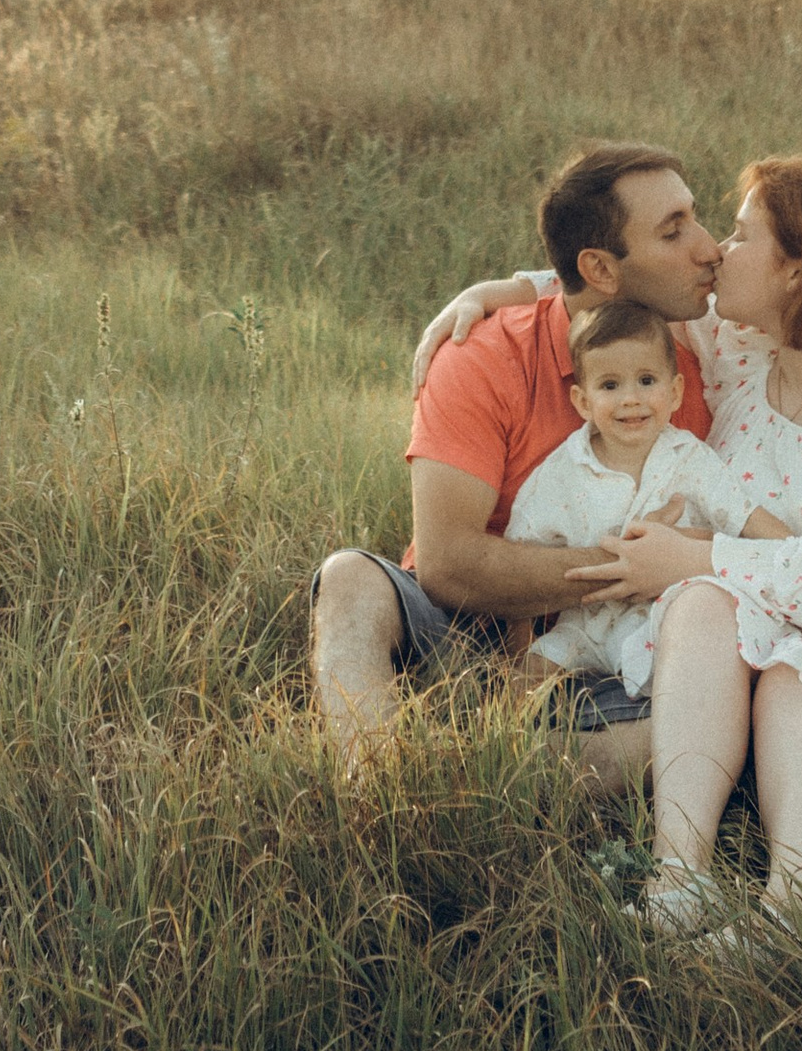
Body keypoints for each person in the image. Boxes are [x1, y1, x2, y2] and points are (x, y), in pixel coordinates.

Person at [430, 154, 802, 932]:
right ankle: (681, 877)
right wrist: (500, 291)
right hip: (753, 631)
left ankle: (787, 919)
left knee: (795, 673)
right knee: (702, 603)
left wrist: (700, 556)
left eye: (741, 235)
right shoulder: (743, 349)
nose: (714, 250)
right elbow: (614, 288)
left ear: (798, 271)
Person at [308, 139, 724, 777]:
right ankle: (377, 776)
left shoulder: (685, 376)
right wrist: (629, 565)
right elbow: (447, 565)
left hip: (605, 655)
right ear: (600, 269)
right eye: (674, 231)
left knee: (701, 721)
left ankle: (474, 770)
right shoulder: (482, 355)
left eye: (696, 219)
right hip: (460, 629)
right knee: (349, 580)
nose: (709, 247)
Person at [505, 296, 790, 714]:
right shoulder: (565, 469)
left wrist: (801, 547)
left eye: (646, 380)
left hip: (657, 620)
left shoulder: (688, 458)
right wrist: (519, 648)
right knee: (524, 677)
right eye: (610, 386)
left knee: (683, 686)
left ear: (674, 392)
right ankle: (506, 738)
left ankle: (670, 723)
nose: (630, 399)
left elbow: (743, 514)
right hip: (584, 625)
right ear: (583, 402)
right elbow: (522, 558)